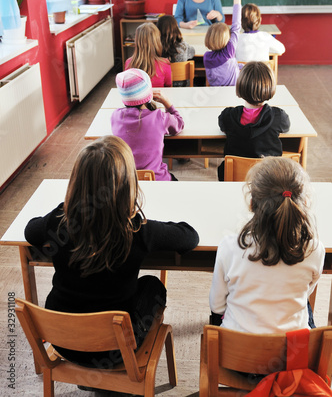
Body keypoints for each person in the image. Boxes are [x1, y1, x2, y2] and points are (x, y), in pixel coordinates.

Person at [25, 136, 199, 369]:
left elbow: (30, 230)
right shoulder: (138, 230)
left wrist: (62, 210)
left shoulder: (58, 221)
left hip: (62, 342)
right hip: (116, 349)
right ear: (128, 183)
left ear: (77, 182)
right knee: (152, 285)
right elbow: (189, 237)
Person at [209, 156, 325, 333]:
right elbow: (306, 292)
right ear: (304, 203)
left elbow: (217, 306)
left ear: (252, 203)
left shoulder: (230, 246)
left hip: (237, 354)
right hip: (293, 352)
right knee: (305, 308)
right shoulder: (315, 249)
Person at [217, 61, 290, 180]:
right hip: (268, 181)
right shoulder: (278, 117)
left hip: (235, 178)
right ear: (270, 87)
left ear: (240, 86)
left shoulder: (228, 116)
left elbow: (222, 126)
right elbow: (286, 127)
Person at [111, 68, 184, 181]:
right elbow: (179, 123)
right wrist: (167, 103)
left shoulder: (115, 116)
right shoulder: (160, 117)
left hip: (127, 183)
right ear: (149, 93)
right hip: (157, 180)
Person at [203, 0, 243, 86]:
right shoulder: (229, 52)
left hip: (216, 96)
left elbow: (226, 67)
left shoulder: (206, 57)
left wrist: (239, 66)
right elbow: (236, 25)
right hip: (233, 95)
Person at [125, 22, 171, 87]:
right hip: (157, 97)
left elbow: (128, 88)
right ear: (157, 41)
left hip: (138, 97)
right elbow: (168, 87)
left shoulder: (128, 63)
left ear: (137, 41)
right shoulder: (165, 63)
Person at [157, 14, 195, 86]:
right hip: (182, 87)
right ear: (176, 29)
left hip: (163, 87)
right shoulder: (183, 46)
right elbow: (192, 52)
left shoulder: (155, 48)